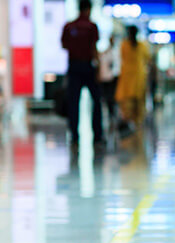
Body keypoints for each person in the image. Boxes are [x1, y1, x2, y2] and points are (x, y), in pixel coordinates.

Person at [61, 0, 103, 152]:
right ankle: (97, 136)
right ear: (88, 9)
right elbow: (94, 48)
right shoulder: (92, 27)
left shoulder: (68, 26)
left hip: (73, 67)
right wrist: (98, 69)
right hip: (88, 66)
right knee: (96, 102)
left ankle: (74, 137)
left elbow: (64, 45)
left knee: (74, 103)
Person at [115, 25, 150, 143]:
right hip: (139, 77)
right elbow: (147, 59)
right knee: (139, 104)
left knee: (127, 103)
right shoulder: (142, 45)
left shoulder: (124, 45)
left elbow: (122, 57)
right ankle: (137, 126)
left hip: (127, 78)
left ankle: (129, 125)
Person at [98, 35, 120, 131]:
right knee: (106, 98)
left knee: (111, 98)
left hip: (111, 78)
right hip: (105, 79)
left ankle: (112, 115)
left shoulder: (115, 52)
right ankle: (110, 115)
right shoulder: (106, 52)